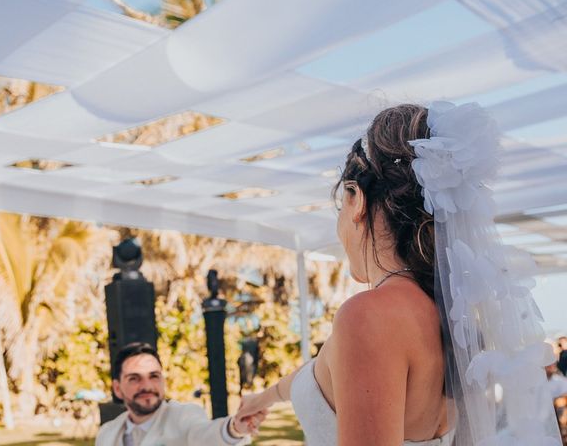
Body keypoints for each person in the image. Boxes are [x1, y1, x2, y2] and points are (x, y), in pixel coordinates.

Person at [236, 103, 561, 445]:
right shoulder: (452, 319)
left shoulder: (369, 315)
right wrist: (263, 399)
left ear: (355, 198)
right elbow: (321, 371)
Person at [96, 342, 264, 446]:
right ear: (117, 388)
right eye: (134, 378)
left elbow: (204, 437)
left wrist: (234, 428)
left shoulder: (184, 416)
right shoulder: (107, 433)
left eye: (154, 376)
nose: (146, 386)